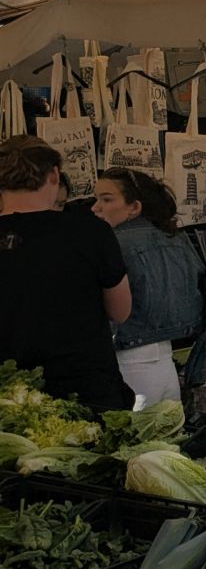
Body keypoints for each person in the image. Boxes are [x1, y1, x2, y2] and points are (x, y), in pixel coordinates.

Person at [0, 137, 134, 409]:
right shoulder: (91, 232)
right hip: (86, 392)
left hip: (10, 398)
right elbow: (120, 311)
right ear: (54, 175)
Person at [92, 168, 206, 406]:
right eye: (96, 199)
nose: (95, 208)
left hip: (127, 364)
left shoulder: (110, 244)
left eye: (106, 199)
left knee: (136, 430)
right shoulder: (176, 238)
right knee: (168, 429)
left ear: (134, 207)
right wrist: (196, 371)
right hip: (166, 365)